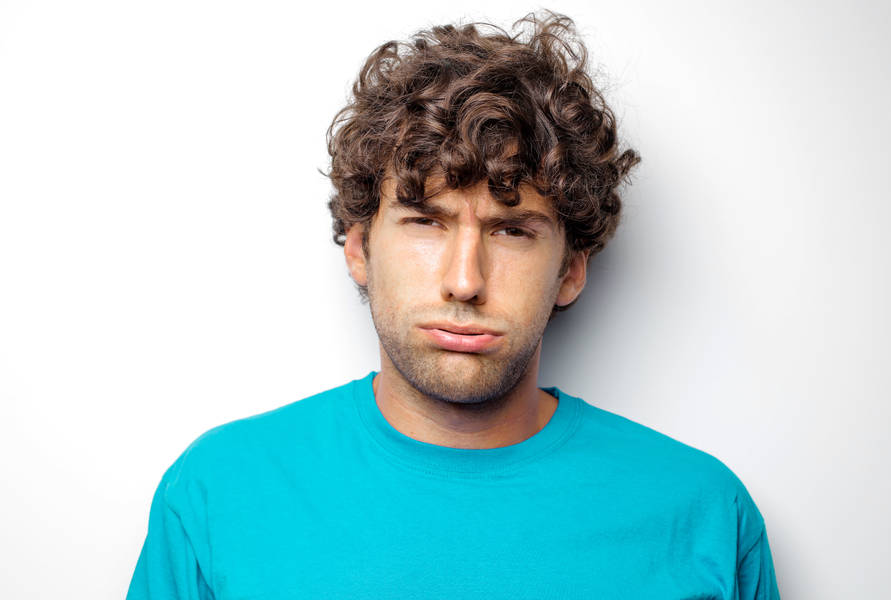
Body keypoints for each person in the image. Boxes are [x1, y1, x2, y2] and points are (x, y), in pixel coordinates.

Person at [127, 11, 780, 599]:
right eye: (426, 223)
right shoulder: (220, 492)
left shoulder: (702, 515)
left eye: (512, 230)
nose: (465, 282)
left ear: (571, 270)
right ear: (359, 249)